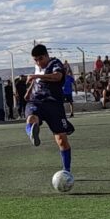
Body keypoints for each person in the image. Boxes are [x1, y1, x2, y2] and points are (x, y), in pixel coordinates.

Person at [24, 44, 74, 173]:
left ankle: (66, 171)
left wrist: (36, 77)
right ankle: (32, 132)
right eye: (35, 60)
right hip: (37, 100)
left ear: (47, 55)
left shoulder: (55, 63)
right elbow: (36, 80)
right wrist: (29, 91)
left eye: (41, 59)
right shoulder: (38, 66)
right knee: (31, 118)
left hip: (54, 104)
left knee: (61, 140)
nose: (38, 62)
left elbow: (57, 76)